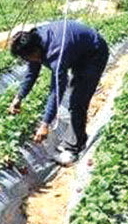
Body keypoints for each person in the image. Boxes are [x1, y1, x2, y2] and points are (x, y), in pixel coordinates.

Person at [9, 20, 109, 166]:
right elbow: (31, 72)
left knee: (77, 100)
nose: (27, 61)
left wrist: (45, 124)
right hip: (78, 51)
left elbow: (56, 90)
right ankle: (73, 139)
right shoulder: (35, 40)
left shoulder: (57, 52)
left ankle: (74, 147)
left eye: (27, 57)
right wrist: (19, 97)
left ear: (35, 51)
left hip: (94, 54)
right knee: (75, 96)